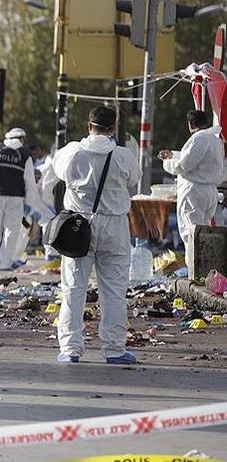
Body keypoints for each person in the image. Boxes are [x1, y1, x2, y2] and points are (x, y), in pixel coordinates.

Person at [53, 106, 141, 364]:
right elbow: (133, 179)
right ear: (113, 127)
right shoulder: (123, 155)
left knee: (73, 289)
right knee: (114, 291)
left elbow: (58, 172)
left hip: (78, 227)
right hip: (114, 226)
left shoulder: (72, 152)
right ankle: (114, 349)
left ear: (88, 125)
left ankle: (70, 349)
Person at [158, 110, 224, 265]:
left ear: (190, 124)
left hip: (194, 193)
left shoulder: (198, 139)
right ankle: (205, 269)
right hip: (210, 192)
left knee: (191, 234)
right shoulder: (215, 141)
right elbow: (195, 159)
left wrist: (167, 162)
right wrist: (173, 155)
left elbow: (184, 165)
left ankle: (195, 272)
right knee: (204, 234)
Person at [0, 127, 39, 270]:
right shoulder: (25, 155)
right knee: (12, 231)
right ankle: (5, 264)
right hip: (16, 199)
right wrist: (29, 204)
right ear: (21, 139)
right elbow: (30, 183)